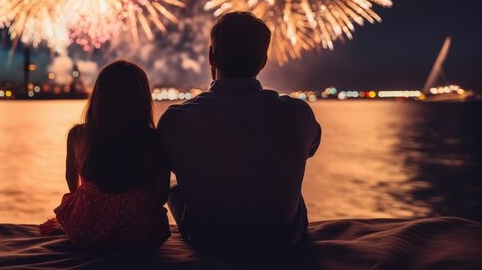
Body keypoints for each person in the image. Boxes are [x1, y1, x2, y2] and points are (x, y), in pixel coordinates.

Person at [158, 12, 321, 249]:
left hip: (208, 240)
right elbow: (311, 147)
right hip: (281, 239)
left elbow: (161, 167)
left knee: (174, 188)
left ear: (211, 56)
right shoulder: (298, 113)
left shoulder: (175, 119)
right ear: (263, 61)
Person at [40, 61, 170, 249]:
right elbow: (161, 196)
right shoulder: (154, 140)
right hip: (142, 234)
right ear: (141, 100)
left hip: (86, 230)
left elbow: (72, 184)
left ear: (98, 97)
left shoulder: (77, 135)